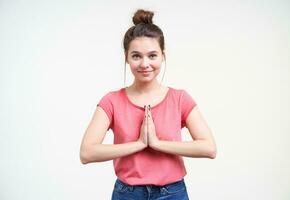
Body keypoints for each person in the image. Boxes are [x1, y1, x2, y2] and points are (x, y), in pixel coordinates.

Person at [79, 9, 217, 200]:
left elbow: (209, 148)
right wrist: (139, 144)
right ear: (126, 57)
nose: (145, 64)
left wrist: (157, 144)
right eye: (136, 56)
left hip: (173, 193)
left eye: (152, 55)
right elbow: (87, 152)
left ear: (163, 56)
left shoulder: (180, 99)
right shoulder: (111, 101)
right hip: (127, 193)